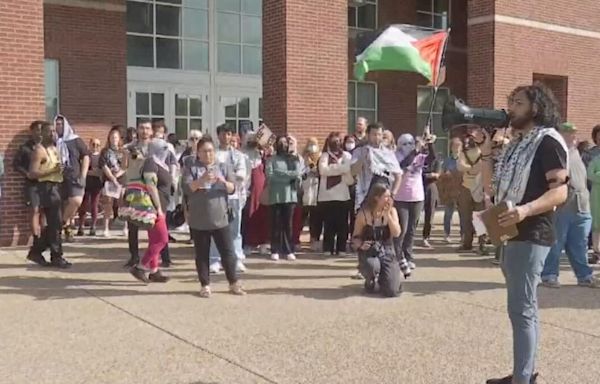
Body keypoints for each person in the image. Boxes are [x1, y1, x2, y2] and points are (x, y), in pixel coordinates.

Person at [481, 83, 568, 384]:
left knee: (522, 310)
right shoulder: (517, 143)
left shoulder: (548, 142)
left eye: (518, 102)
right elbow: (491, 187)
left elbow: (560, 193)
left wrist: (526, 210)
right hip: (509, 231)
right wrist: (485, 155)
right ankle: (524, 372)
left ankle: (523, 379)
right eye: (510, 101)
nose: (511, 107)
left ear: (535, 107)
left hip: (530, 232)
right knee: (521, 309)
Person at [182, 136, 246, 298]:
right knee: (202, 254)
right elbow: (187, 188)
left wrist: (224, 182)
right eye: (204, 151)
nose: (208, 154)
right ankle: (205, 285)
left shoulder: (223, 167)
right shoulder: (191, 167)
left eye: (211, 151)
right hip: (199, 217)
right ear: (198, 153)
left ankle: (233, 283)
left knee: (228, 252)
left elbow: (233, 188)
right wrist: (202, 179)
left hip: (220, 216)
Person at [540, 122, 599, 288]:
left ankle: (584, 276)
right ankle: (549, 275)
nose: (573, 136)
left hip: (582, 205)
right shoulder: (556, 153)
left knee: (579, 244)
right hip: (563, 206)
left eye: (574, 132)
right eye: (568, 133)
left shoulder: (578, 153)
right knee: (556, 243)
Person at [124, 119, 172, 268]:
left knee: (157, 229)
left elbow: (170, 164)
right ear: (137, 130)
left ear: (152, 131)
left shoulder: (158, 147)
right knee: (134, 225)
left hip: (158, 192)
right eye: (141, 128)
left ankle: (160, 262)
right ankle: (135, 258)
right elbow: (125, 168)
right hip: (139, 191)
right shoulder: (131, 148)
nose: (144, 131)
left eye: (147, 128)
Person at [26, 122, 71, 268]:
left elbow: (56, 168)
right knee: (55, 223)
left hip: (57, 187)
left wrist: (61, 170)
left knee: (55, 224)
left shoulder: (54, 148)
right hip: (46, 188)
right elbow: (32, 173)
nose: (53, 134)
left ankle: (36, 251)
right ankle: (56, 256)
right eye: (49, 131)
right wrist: (51, 172)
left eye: (54, 131)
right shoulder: (39, 150)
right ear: (42, 133)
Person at [352, 183, 408, 297]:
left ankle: (386, 279)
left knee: (392, 291)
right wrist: (361, 245)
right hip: (370, 252)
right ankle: (370, 281)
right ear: (376, 198)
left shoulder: (392, 211)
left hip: (387, 250)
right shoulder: (363, 214)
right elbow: (355, 237)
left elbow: (397, 233)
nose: (389, 199)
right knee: (372, 266)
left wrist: (388, 215)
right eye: (386, 196)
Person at [208, 124, 248, 273]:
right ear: (218, 136)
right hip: (216, 196)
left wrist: (228, 180)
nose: (225, 137)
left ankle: (236, 259)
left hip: (234, 196)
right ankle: (215, 259)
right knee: (215, 228)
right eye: (223, 134)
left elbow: (241, 174)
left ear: (232, 136)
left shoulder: (238, 155)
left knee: (235, 230)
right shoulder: (213, 154)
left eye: (228, 134)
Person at [394, 133, 435, 268]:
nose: (408, 146)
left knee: (412, 229)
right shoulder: (396, 155)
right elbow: (403, 164)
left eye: (410, 143)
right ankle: (398, 256)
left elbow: (432, 159)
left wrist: (430, 143)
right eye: (405, 143)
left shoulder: (419, 156)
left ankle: (408, 256)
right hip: (401, 197)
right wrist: (415, 150)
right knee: (402, 229)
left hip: (417, 197)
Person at [55, 115, 90, 242]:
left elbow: (86, 156)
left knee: (76, 201)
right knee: (64, 204)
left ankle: (61, 224)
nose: (59, 126)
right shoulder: (54, 141)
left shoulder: (75, 140)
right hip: (59, 176)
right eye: (57, 124)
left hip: (74, 175)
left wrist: (83, 175)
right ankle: (68, 230)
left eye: (61, 124)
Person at [266, 135, 301, 261]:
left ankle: (289, 250)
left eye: (285, 143)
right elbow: (270, 176)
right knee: (275, 224)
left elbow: (298, 174)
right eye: (280, 143)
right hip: (275, 196)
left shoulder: (294, 159)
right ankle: (274, 249)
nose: (283, 145)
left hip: (290, 196)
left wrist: (281, 174)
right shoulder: (272, 159)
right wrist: (288, 176)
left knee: (288, 225)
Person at [318, 132, 352, 256]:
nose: (336, 143)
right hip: (327, 195)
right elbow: (323, 170)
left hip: (342, 195)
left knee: (342, 224)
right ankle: (328, 248)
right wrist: (340, 168)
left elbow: (348, 168)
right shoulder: (324, 156)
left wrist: (333, 168)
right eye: (333, 141)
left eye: (338, 141)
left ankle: (341, 248)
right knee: (328, 224)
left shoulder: (347, 155)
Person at [457, 129, 486, 253]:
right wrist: (474, 169)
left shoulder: (477, 152)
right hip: (471, 187)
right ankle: (474, 243)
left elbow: (462, 167)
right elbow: (461, 166)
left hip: (474, 186)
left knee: (475, 217)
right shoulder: (479, 152)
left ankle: (478, 244)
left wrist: (468, 170)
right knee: (470, 217)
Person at [14, 121, 44, 240]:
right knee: (34, 209)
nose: (39, 132)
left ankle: (45, 238)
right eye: (37, 129)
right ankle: (36, 238)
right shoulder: (25, 148)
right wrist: (27, 174)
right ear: (31, 131)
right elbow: (16, 164)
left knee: (45, 210)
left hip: (46, 183)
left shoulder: (48, 146)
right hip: (32, 184)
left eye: (41, 130)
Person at [242, 134, 270, 255]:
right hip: (248, 188)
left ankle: (263, 242)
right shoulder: (242, 155)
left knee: (262, 214)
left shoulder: (262, 155)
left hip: (261, 189)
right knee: (248, 215)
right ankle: (248, 243)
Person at [99, 127, 127, 237]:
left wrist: (118, 175)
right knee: (108, 205)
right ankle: (106, 228)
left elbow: (125, 166)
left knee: (122, 204)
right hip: (109, 180)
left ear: (119, 138)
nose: (113, 139)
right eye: (111, 137)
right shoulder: (105, 151)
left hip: (121, 180)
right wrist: (112, 178)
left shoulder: (123, 151)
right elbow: (103, 166)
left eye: (115, 137)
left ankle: (125, 227)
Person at [76, 138, 103, 236]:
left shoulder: (101, 157)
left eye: (97, 145)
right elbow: (82, 169)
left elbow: (101, 171)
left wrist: (90, 171)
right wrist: (90, 172)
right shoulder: (86, 156)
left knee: (94, 205)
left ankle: (93, 226)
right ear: (90, 145)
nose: (95, 147)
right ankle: (81, 226)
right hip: (86, 183)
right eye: (93, 144)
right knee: (83, 205)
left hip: (97, 184)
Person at [301, 137, 323, 251]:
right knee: (303, 214)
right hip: (305, 187)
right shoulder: (303, 157)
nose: (312, 146)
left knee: (315, 216)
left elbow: (320, 171)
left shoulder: (320, 156)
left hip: (316, 188)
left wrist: (313, 167)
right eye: (310, 144)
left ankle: (314, 238)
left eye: (314, 144)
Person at [441, 137, 464, 243]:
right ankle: (447, 234)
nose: (457, 148)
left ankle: (463, 235)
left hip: (461, 190)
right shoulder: (447, 160)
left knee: (463, 214)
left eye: (458, 146)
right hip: (450, 190)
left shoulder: (464, 159)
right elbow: (442, 174)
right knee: (448, 213)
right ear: (451, 148)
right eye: (455, 146)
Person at [421, 138, 441, 248]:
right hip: (418, 187)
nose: (425, 149)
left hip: (430, 187)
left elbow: (436, 175)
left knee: (429, 214)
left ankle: (425, 237)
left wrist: (425, 175)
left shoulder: (436, 160)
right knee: (415, 215)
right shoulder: (418, 159)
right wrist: (428, 174)